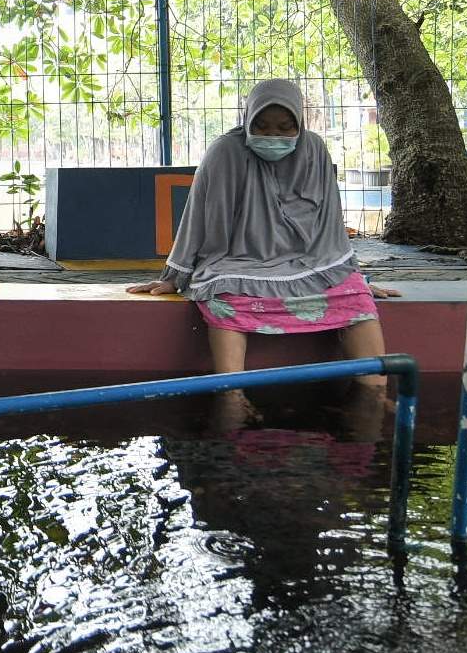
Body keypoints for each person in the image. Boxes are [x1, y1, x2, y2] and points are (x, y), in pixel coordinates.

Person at [128, 79, 397, 427]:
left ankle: (374, 396)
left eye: (285, 128)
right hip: (238, 262)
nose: (274, 136)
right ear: (248, 119)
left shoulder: (313, 150)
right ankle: (232, 396)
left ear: (300, 124)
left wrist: (348, 274)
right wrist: (175, 276)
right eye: (262, 126)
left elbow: (331, 222)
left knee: (357, 300)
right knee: (220, 296)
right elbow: (199, 215)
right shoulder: (225, 151)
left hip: (309, 263)